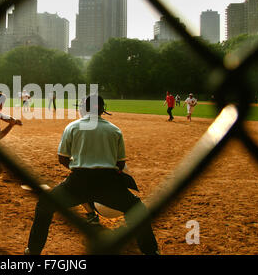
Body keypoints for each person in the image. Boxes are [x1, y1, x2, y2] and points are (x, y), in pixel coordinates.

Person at [25, 95, 159, 255]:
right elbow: (120, 163)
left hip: (77, 183)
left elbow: (62, 158)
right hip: (108, 183)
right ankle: (151, 251)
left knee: (44, 205)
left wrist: (78, 168)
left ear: (83, 109)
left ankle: (33, 251)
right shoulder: (114, 130)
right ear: (103, 109)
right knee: (136, 209)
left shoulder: (73, 127)